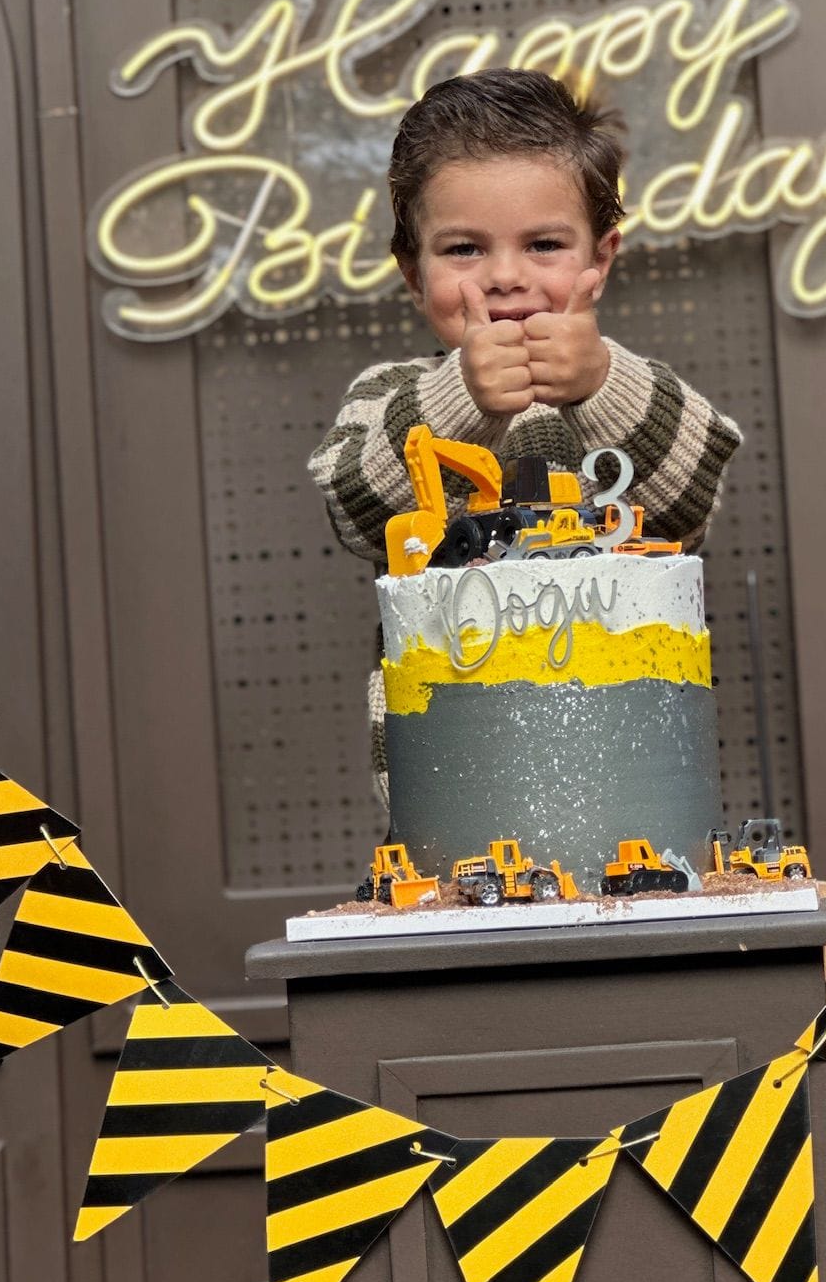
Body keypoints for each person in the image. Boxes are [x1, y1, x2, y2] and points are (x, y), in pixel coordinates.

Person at [308, 66, 742, 797]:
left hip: (634, 768)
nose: (505, 276)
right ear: (413, 274)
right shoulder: (393, 395)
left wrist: (601, 383)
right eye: (463, 249)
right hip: (450, 781)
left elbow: (690, 505)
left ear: (600, 258)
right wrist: (460, 396)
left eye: (543, 244)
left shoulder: (624, 384)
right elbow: (354, 507)